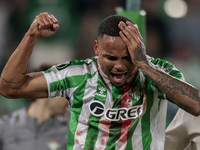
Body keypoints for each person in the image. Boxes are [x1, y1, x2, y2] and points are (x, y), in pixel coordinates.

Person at [0, 12, 200, 150]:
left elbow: (196, 106)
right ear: (96, 49)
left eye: (128, 58)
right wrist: (31, 36)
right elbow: (9, 88)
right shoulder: (77, 74)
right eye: (111, 58)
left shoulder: (156, 70)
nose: (120, 66)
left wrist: (144, 64)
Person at [0, 64, 70, 150]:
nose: (68, 98)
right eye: (63, 92)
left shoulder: (69, 132)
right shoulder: (4, 126)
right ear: (47, 93)